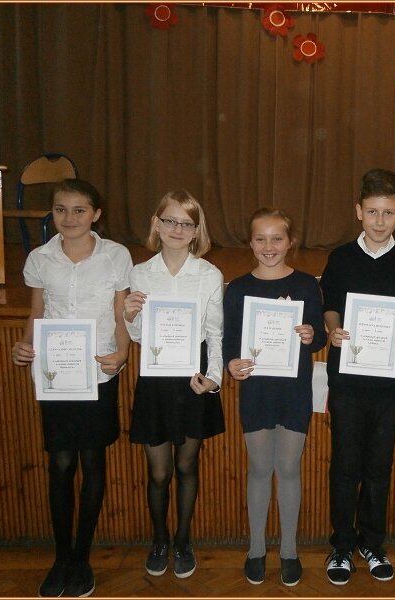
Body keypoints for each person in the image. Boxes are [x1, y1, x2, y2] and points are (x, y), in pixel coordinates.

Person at [11, 179, 133, 597]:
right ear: (52, 212)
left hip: (98, 373)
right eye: (61, 209)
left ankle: (82, 558)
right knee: (60, 465)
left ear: (95, 214)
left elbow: (120, 313)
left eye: (79, 210)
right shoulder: (39, 258)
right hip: (55, 375)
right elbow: (36, 312)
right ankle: (61, 557)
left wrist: (122, 352)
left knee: (93, 462)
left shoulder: (116, 255)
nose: (69, 217)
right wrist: (24, 346)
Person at [319, 168, 395, 585]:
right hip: (347, 381)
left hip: (389, 382)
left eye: (388, 212)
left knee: (379, 467)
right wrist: (332, 329)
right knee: (345, 466)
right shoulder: (340, 258)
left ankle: (372, 543)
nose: (380, 221)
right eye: (373, 211)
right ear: (359, 211)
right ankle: (342, 546)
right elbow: (330, 305)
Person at [123, 190, 225, 580]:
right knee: (158, 472)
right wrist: (130, 315)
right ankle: (159, 539)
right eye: (170, 220)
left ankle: (182, 540)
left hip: (192, 380)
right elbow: (138, 336)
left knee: (186, 465)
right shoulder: (140, 273)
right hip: (155, 379)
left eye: (186, 223)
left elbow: (215, 334)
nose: (177, 229)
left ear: (197, 230)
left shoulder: (209, 275)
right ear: (156, 223)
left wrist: (214, 377)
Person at [223, 208, 327, 587]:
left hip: (293, 391)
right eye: (261, 238)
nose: (269, 246)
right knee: (259, 468)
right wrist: (231, 363)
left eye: (277, 238)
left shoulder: (305, 285)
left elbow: (319, 337)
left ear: (290, 242)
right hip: (256, 391)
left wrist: (310, 335)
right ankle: (255, 549)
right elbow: (230, 340)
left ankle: (288, 550)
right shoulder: (237, 288)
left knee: (288, 468)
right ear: (250, 242)